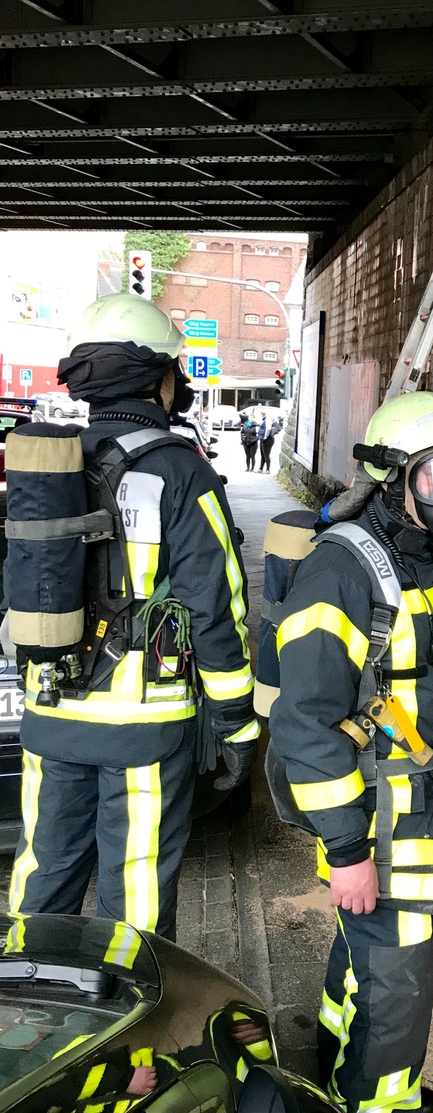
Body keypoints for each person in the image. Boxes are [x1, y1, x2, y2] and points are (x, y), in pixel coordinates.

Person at [268, 390, 433, 1113]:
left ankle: (337, 1062)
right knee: (398, 987)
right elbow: (305, 723)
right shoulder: (341, 573)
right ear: (395, 479)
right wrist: (344, 851)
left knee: (368, 957)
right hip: (376, 822)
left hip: (432, 809)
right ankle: (381, 1102)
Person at [6, 293, 259, 940]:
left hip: (51, 714)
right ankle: (131, 1022)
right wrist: (234, 721)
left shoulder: (46, 468)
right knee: (136, 891)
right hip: (143, 729)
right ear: (159, 377)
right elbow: (219, 604)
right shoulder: (179, 472)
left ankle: (24, 1011)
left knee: (45, 875)